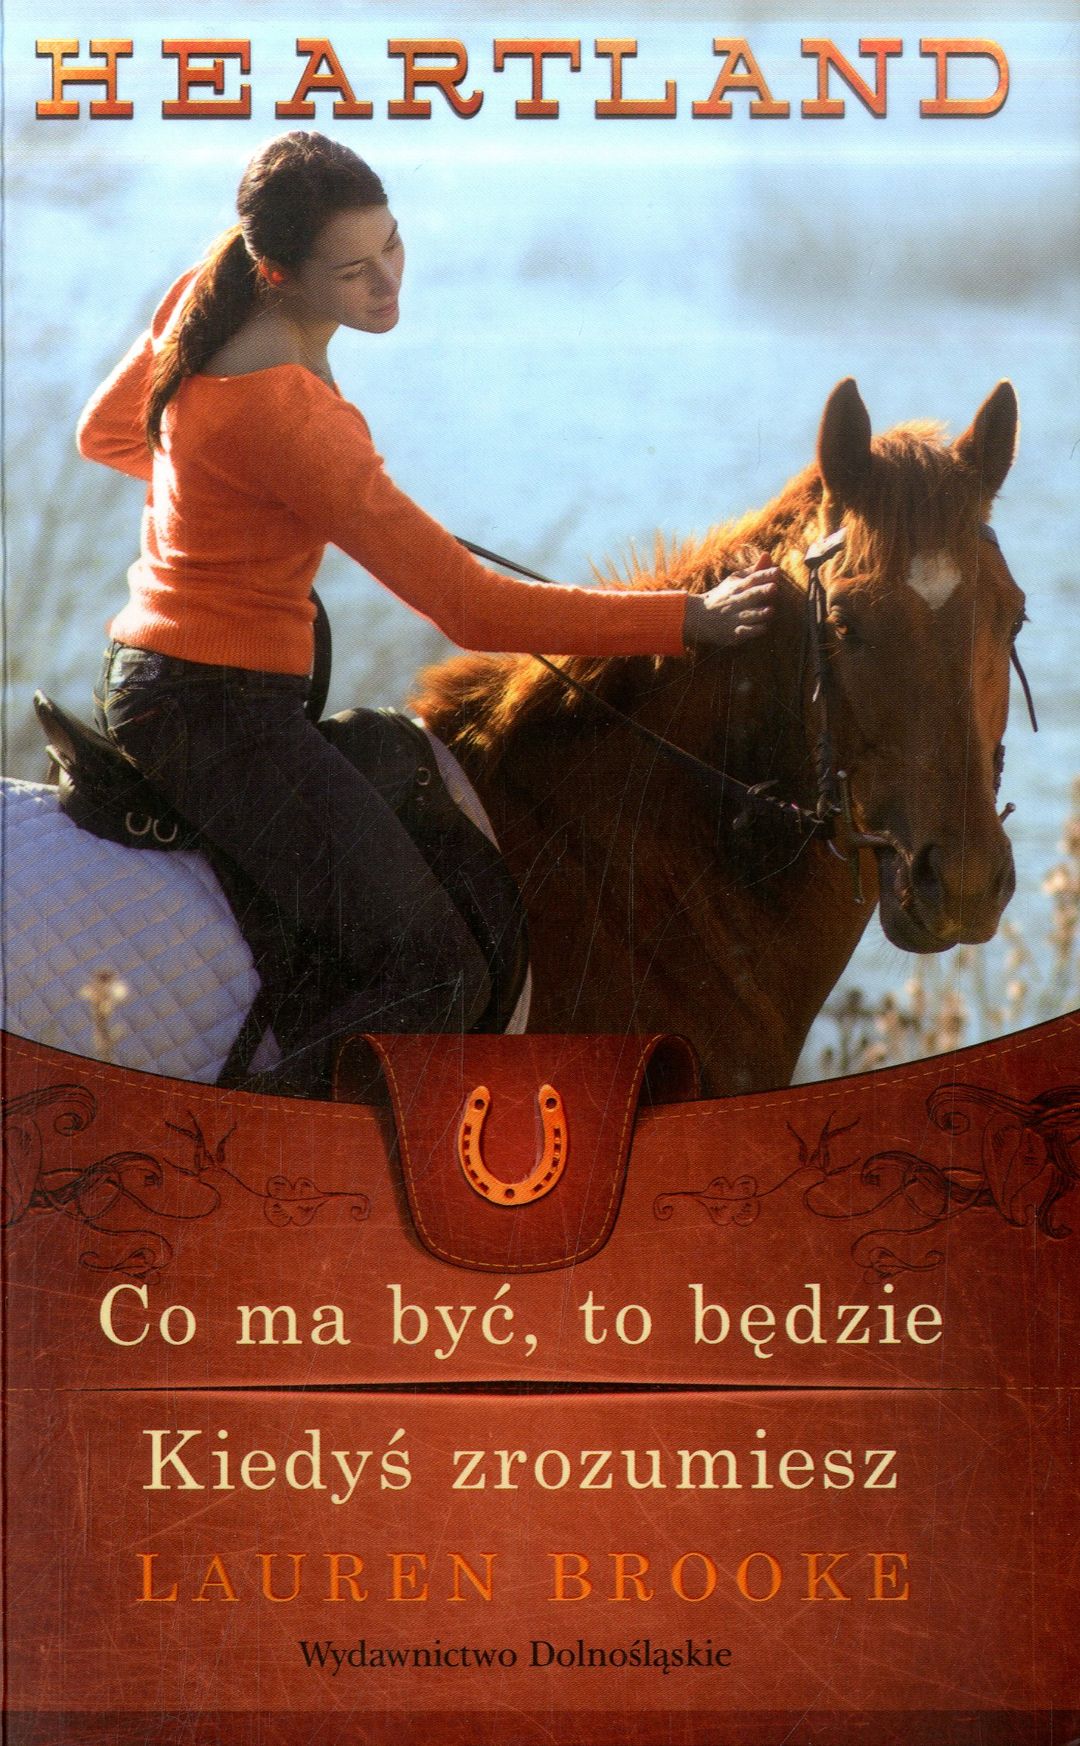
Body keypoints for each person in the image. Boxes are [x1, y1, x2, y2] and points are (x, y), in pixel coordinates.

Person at [78, 130, 777, 1086]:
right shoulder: (291, 417)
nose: (387, 282)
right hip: (219, 714)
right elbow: (470, 609)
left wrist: (232, 506)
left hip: (162, 680)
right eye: (353, 269)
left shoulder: (212, 291)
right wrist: (684, 619)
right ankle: (227, 1148)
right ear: (279, 272)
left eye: (393, 244)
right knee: (437, 973)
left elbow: (109, 433)